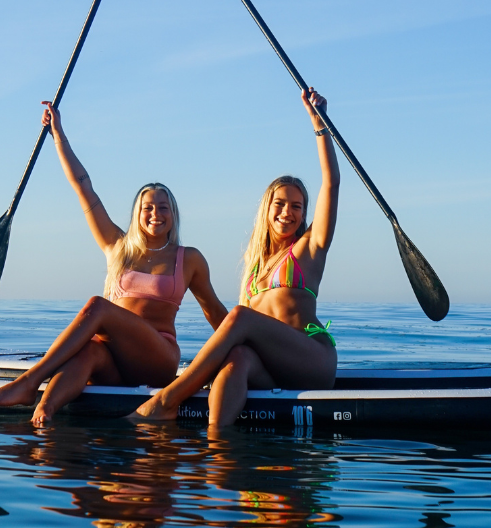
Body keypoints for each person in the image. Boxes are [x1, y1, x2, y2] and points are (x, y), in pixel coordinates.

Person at [0, 102, 227, 426]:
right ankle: (44, 411)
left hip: (158, 358)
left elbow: (213, 310)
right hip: (114, 362)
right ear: (137, 214)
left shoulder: (188, 258)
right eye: (148, 208)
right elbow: (83, 185)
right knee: (88, 352)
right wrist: (58, 135)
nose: (155, 214)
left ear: (173, 214)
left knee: (98, 307)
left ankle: (28, 382)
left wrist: (241, 349)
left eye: (163, 208)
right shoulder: (117, 247)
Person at [133, 87, 339, 428]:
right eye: (280, 204)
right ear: (267, 209)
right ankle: (219, 452)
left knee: (240, 317)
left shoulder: (308, 248)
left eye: (297, 206)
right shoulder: (255, 268)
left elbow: (331, 184)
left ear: (304, 214)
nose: (288, 212)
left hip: (310, 361)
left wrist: (321, 126)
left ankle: (167, 399)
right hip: (272, 369)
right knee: (238, 357)